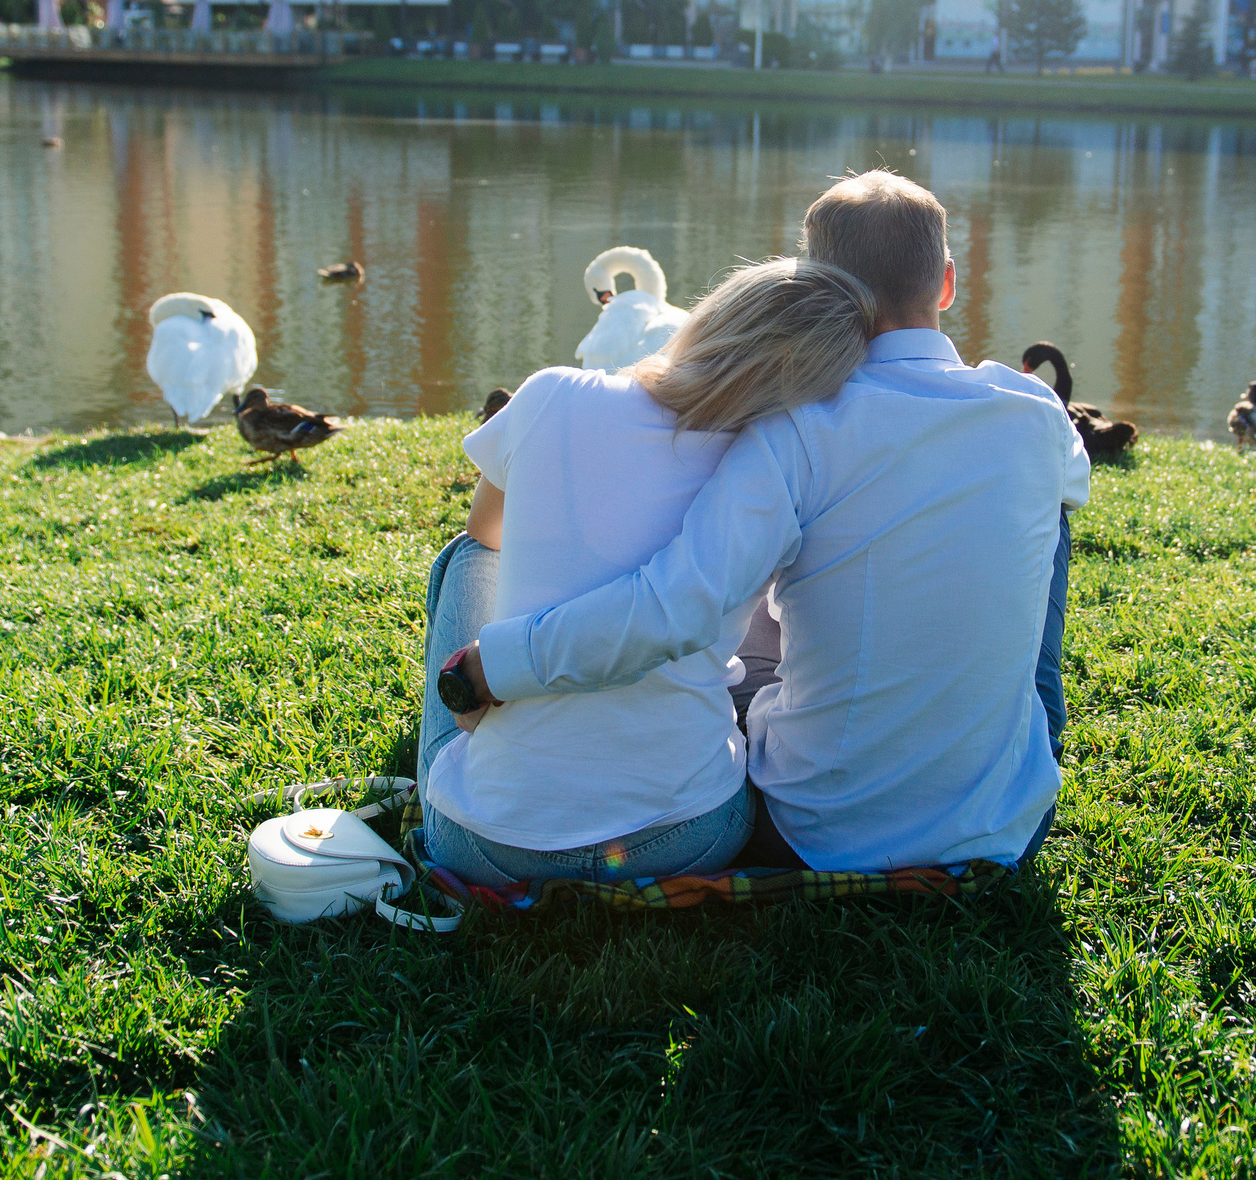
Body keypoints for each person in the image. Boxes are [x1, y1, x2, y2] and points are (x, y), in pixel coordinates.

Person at [452, 171, 1088, 871]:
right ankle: (1017, 751)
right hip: (1005, 828)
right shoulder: (1036, 412)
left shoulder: (798, 427)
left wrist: (498, 663)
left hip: (814, 833)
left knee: (745, 588)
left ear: (815, 286)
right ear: (946, 284)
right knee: (1051, 512)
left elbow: (673, 607)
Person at [417, 257, 879, 887]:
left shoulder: (553, 392)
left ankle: (467, 711)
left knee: (467, 558)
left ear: (712, 317)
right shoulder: (773, 472)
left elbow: (486, 530)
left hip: (489, 844)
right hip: (687, 837)